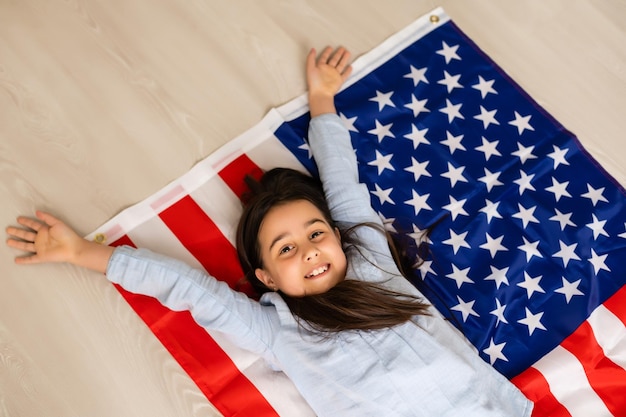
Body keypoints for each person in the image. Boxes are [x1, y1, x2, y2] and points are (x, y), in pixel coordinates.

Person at [6, 46, 533, 416]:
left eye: (315, 233)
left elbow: (344, 185)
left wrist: (322, 98)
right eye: (287, 249)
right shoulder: (278, 330)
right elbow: (189, 290)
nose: (310, 250)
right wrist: (84, 254)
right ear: (267, 278)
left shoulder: (371, 260)